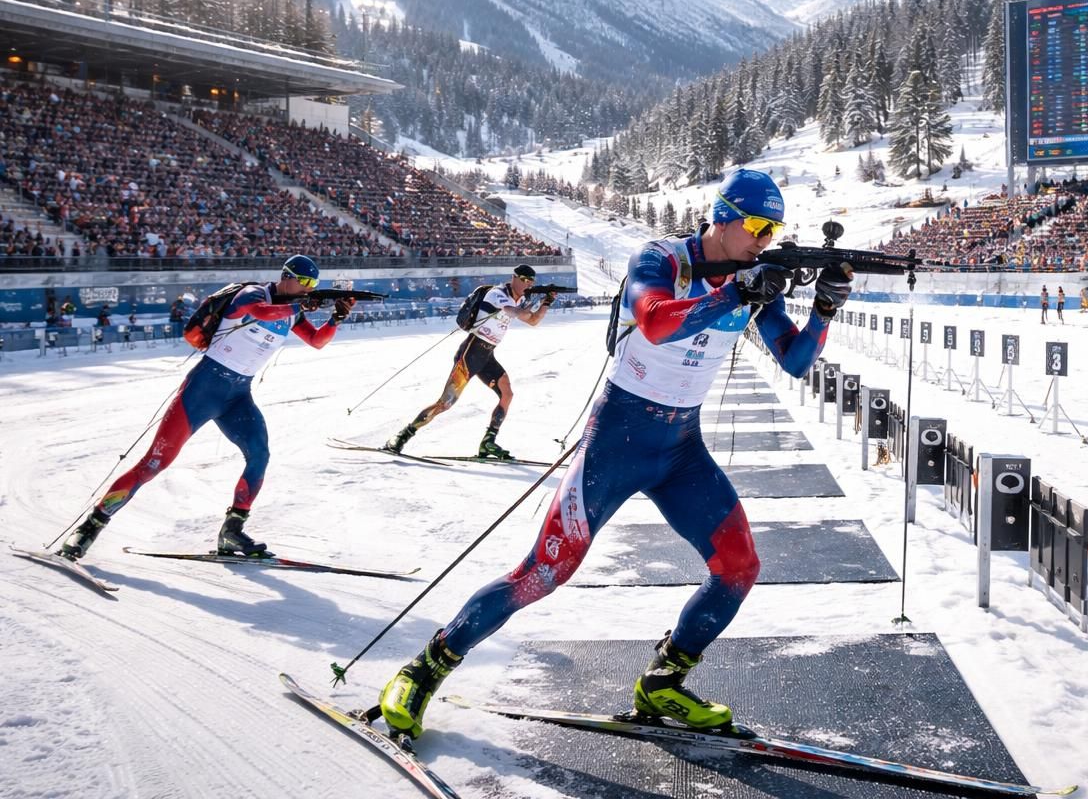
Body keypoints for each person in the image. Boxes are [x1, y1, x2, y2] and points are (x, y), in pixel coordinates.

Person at [376, 168, 853, 740]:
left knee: (739, 567)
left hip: (681, 448)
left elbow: (797, 361)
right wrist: (736, 292)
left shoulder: (753, 277)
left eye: (772, 231)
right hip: (618, 439)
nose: (764, 241)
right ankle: (424, 669)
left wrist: (824, 309)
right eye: (756, 226)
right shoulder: (662, 260)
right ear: (722, 216)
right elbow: (653, 322)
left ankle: (663, 682)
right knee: (544, 572)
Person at [56, 256, 354, 562]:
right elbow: (261, 313)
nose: (308, 290)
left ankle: (232, 531)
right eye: (305, 284)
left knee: (259, 454)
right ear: (286, 277)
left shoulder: (292, 310)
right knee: (154, 463)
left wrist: (336, 319)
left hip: (238, 395)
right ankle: (89, 528)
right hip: (203, 389)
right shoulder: (252, 293)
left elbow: (317, 341)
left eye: (314, 286)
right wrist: (299, 306)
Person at [383, 264, 554, 461]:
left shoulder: (521, 298)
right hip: (470, 353)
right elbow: (519, 314)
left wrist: (547, 301)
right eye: (523, 279)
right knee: (445, 403)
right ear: (513, 277)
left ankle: (488, 442)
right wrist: (535, 305)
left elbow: (534, 321)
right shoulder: (497, 293)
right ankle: (402, 435)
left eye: (531, 281)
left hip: (487, 355)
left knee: (507, 394)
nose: (527, 284)